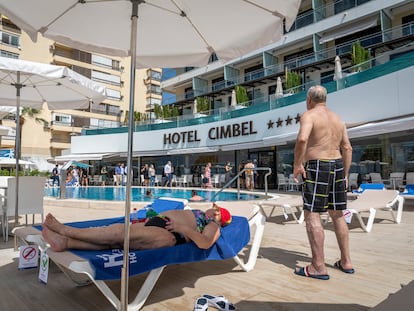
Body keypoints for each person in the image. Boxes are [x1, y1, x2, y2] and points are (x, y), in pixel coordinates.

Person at [293, 85, 354, 280]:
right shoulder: (338, 119)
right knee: (337, 214)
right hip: (337, 165)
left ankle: (318, 266)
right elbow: (347, 148)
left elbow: (302, 139)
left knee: (312, 214)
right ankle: (346, 261)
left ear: (309, 99)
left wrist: (297, 165)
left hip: (317, 165)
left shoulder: (309, 115)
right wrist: (344, 174)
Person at [41, 203, 232, 252]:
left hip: (170, 233)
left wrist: (183, 228)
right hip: (160, 226)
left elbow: (206, 243)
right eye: (212, 209)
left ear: (219, 219)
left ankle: (65, 230)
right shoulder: (202, 214)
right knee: (115, 243)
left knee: (118, 233)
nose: (211, 211)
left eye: (216, 212)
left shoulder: (213, 225)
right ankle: (66, 242)